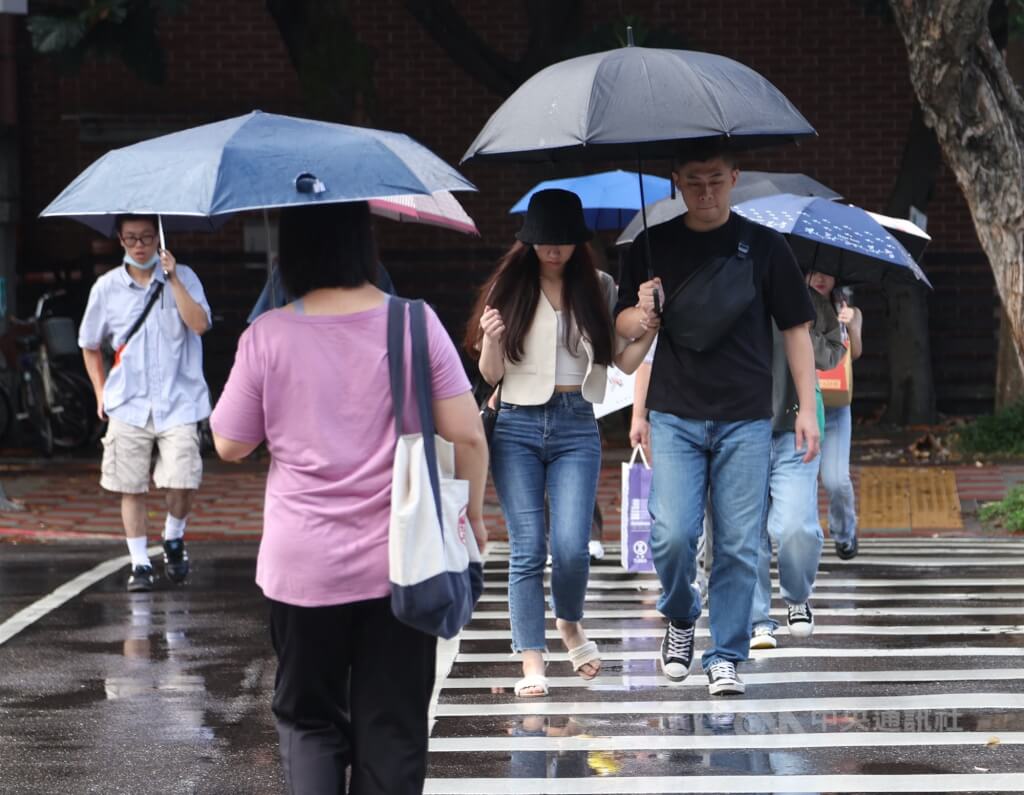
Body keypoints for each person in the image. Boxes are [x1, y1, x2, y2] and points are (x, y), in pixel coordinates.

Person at [210, 201, 487, 795]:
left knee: (309, 722)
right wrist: (473, 515)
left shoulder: (268, 334)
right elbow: (467, 434)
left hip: (303, 568)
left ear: (291, 252)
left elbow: (231, 444)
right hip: (403, 565)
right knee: (393, 726)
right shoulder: (414, 322)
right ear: (366, 244)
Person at [615, 141, 820, 696]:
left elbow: (796, 330)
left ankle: (725, 653)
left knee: (737, 544)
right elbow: (623, 344)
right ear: (675, 180)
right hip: (676, 414)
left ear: (735, 177)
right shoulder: (648, 248)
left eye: (716, 179)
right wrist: (643, 310)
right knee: (674, 535)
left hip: (746, 417)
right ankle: (681, 615)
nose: (706, 191)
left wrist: (805, 408)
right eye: (693, 180)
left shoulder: (765, 246)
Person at [466, 189, 653, 699]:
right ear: (529, 241)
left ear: (577, 242)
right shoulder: (509, 286)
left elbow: (623, 362)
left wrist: (649, 329)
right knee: (528, 549)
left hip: (576, 423)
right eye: (544, 241)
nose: (554, 250)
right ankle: (532, 660)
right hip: (517, 425)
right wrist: (494, 338)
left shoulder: (600, 285)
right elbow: (489, 374)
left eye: (563, 241)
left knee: (571, 548)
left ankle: (569, 624)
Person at [78, 214, 212, 592]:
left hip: (180, 400)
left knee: (183, 481)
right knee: (130, 486)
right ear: (119, 240)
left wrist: (173, 278)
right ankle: (139, 563)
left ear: (159, 238)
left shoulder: (184, 276)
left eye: (148, 237)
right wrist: (100, 391)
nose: (140, 245)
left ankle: (173, 536)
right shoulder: (106, 288)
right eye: (131, 238)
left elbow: (200, 324)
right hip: (129, 402)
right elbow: (89, 344)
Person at [749, 285, 844, 650]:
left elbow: (833, 354)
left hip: (797, 427)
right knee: (749, 531)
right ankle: (757, 618)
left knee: (795, 526)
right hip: (743, 426)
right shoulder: (732, 286)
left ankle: (797, 594)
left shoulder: (808, 298)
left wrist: (802, 332)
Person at [809, 270, 864, 560]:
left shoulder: (846, 308)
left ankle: (844, 532)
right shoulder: (791, 303)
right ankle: (805, 542)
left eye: (828, 273)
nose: (820, 278)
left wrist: (852, 325)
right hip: (801, 407)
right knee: (800, 482)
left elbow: (855, 354)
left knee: (836, 480)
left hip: (834, 407)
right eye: (813, 271)